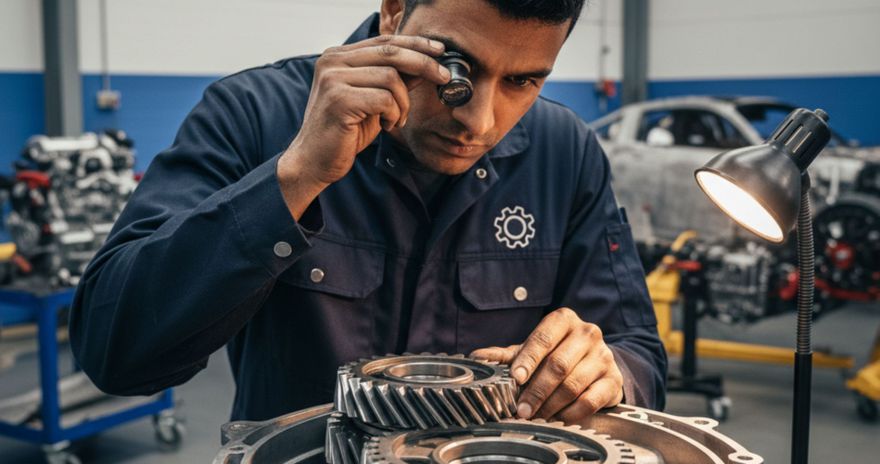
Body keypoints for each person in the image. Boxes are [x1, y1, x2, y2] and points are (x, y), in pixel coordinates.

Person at [70, 0, 667, 423]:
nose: (479, 121)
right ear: (393, 12)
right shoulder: (255, 116)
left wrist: (606, 369)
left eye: (524, 82)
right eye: (456, 71)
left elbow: (636, 349)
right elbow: (114, 354)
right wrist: (295, 177)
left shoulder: (564, 152)